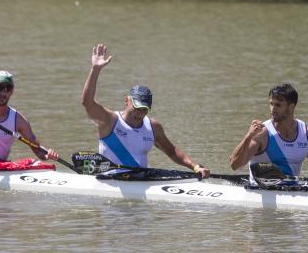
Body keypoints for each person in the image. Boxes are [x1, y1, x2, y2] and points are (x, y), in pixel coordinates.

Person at [81, 43, 211, 178]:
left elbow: (172, 152)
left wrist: (195, 167)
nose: (139, 113)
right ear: (127, 101)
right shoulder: (109, 120)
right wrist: (95, 69)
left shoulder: (153, 127)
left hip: (140, 181)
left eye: (144, 109)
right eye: (136, 107)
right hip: (111, 179)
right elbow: (87, 102)